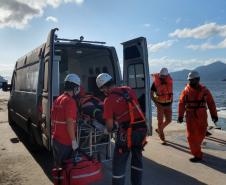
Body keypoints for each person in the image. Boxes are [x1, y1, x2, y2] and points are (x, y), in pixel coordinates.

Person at [96, 73, 147, 185]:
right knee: (137, 159)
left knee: (119, 164)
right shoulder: (128, 89)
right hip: (142, 129)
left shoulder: (108, 100)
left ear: (104, 87)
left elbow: (109, 126)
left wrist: (108, 130)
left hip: (127, 134)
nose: (103, 92)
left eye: (102, 89)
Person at [178, 71, 218, 162]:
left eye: (192, 80)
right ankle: (197, 154)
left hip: (202, 116)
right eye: (189, 80)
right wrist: (180, 116)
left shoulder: (205, 90)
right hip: (190, 116)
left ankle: (196, 147)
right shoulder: (186, 91)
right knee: (191, 137)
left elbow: (211, 103)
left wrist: (214, 115)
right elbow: (181, 103)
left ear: (198, 80)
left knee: (202, 133)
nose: (190, 82)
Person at [51, 73, 80, 167]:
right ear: (74, 87)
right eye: (78, 87)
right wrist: (73, 141)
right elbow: (69, 123)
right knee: (66, 170)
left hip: (56, 139)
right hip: (65, 141)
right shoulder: (70, 101)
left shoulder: (58, 99)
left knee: (58, 168)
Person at [151, 68, 173, 143]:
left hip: (168, 105)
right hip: (160, 105)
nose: (162, 78)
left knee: (169, 120)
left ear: (167, 76)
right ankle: (161, 135)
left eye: (164, 76)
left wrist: (172, 101)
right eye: (161, 76)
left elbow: (171, 93)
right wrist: (156, 103)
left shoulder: (169, 82)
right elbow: (151, 94)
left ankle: (159, 129)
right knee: (160, 121)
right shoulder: (155, 83)